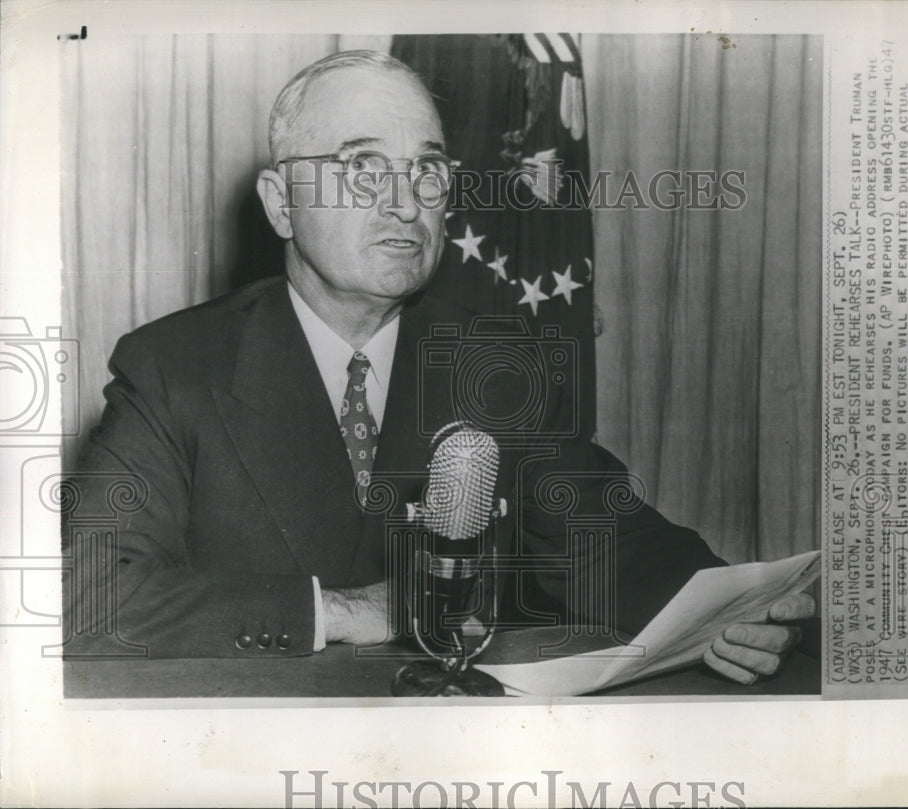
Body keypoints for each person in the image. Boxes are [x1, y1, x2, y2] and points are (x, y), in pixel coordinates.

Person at [64, 50, 813, 686]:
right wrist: (346, 608)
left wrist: (730, 604)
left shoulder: (493, 356)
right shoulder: (174, 367)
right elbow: (88, 597)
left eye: (427, 171)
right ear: (281, 202)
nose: (404, 202)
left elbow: (605, 538)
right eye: (362, 168)